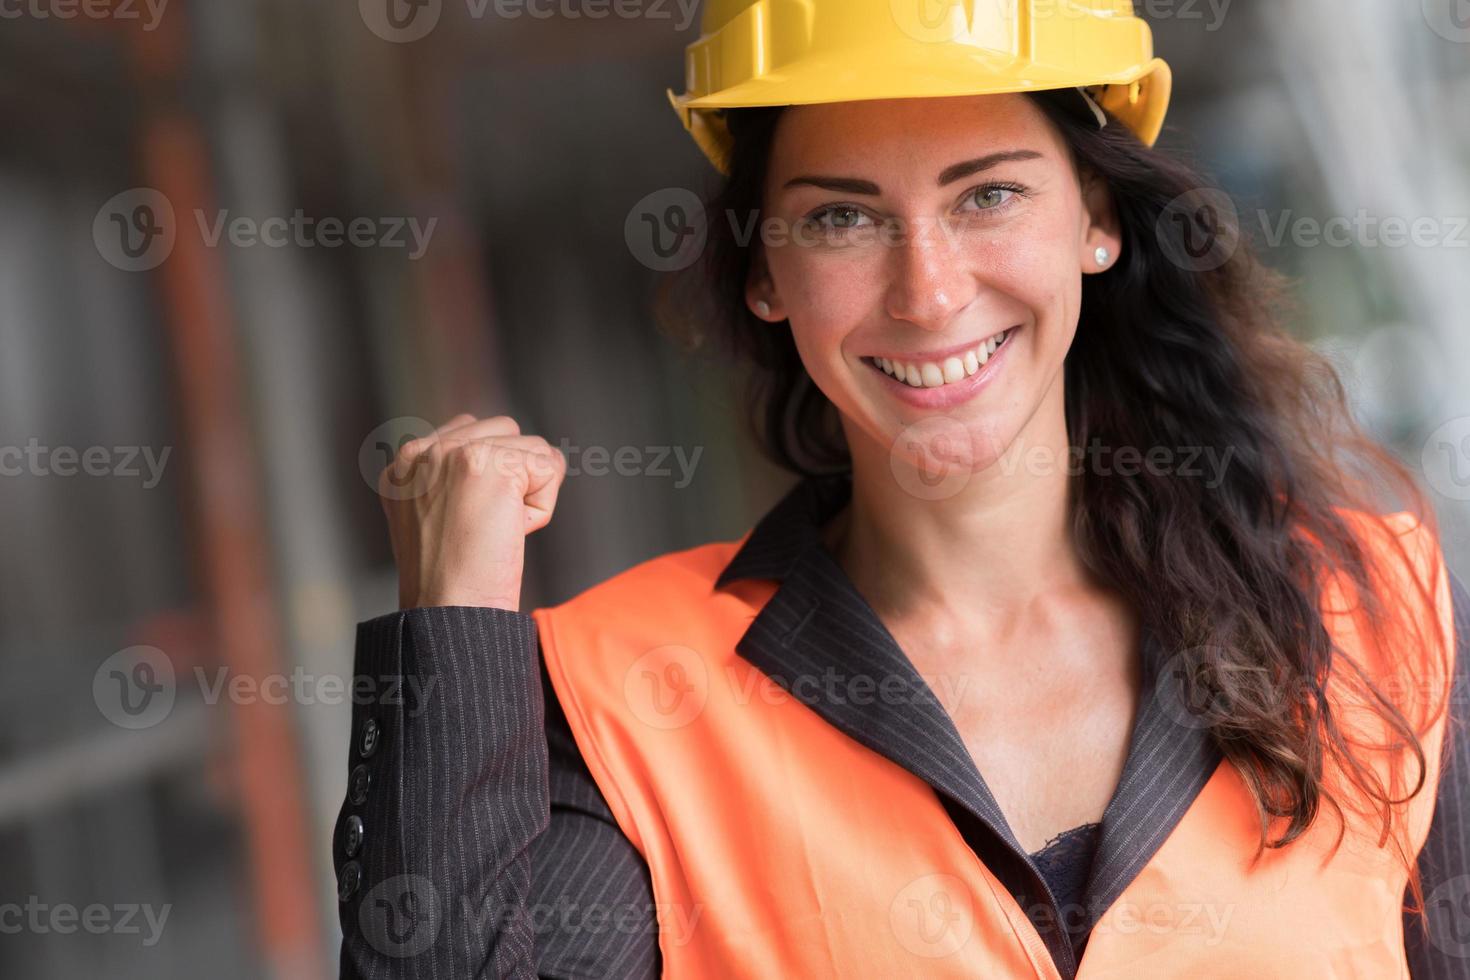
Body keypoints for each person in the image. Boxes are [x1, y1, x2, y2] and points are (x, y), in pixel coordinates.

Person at [333, 2, 1469, 977]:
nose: (927, 291)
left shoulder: (1367, 610)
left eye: (988, 196)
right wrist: (453, 622)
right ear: (767, 272)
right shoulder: (633, 696)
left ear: (1098, 222)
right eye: (843, 216)